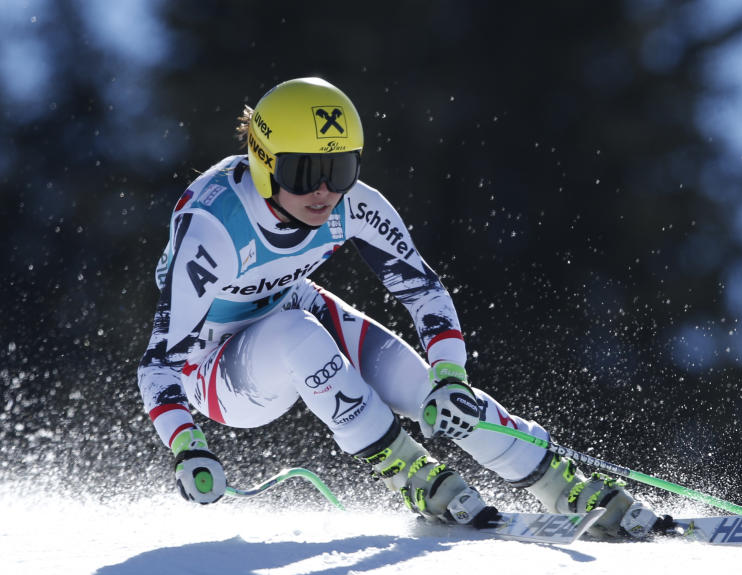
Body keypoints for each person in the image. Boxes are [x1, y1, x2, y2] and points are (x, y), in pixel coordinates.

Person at [137, 76, 669, 537]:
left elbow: (423, 291)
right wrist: (189, 445)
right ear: (263, 162)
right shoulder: (214, 228)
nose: (324, 192)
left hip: (290, 305)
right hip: (213, 369)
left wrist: (450, 374)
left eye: (340, 169)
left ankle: (561, 483)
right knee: (294, 331)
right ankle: (409, 471)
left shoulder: (356, 205)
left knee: (428, 391)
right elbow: (159, 363)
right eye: (303, 172)